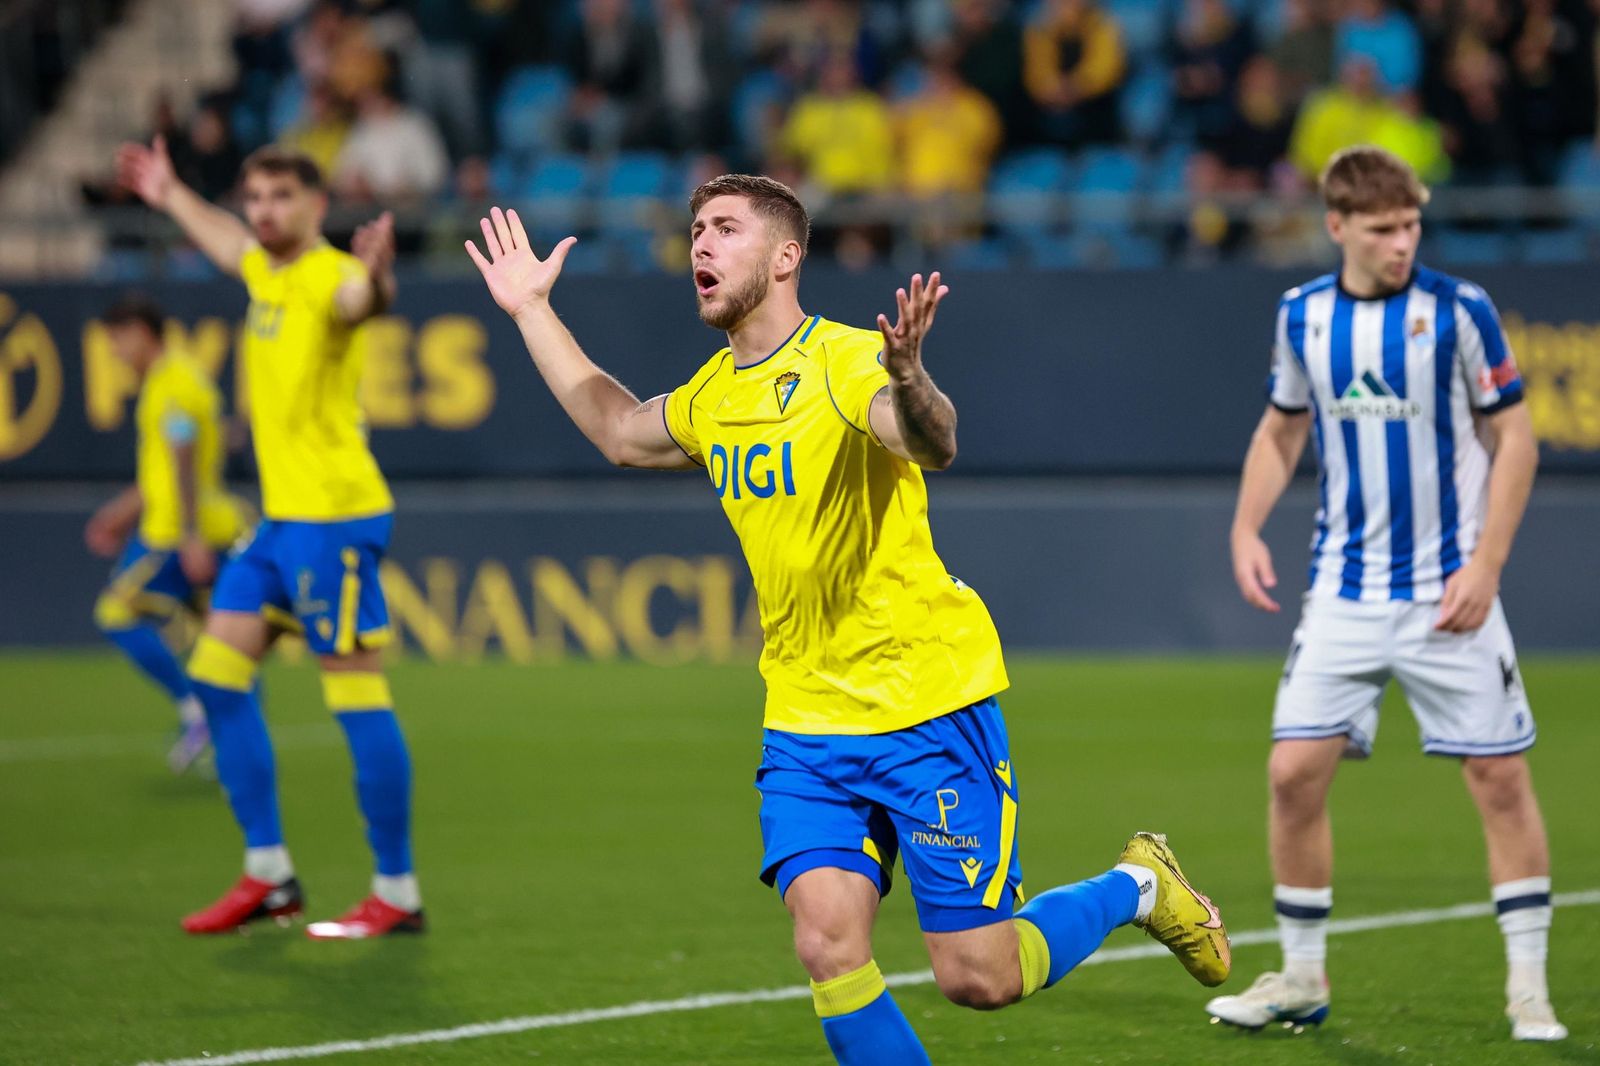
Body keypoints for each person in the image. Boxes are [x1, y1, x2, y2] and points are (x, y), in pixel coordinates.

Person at [464, 174, 1231, 1064]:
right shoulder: (714, 394)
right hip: (805, 721)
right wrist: (531, 311)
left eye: (726, 228)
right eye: (696, 229)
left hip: (924, 704)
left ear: (786, 256)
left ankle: (1139, 885)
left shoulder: (846, 362)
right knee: (826, 945)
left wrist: (910, 378)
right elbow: (619, 430)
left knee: (978, 976)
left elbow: (931, 439)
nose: (700, 243)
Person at [1214, 145, 1564, 1042]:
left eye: (1411, 225)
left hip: (1450, 589)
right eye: (1382, 229)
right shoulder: (1302, 315)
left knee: (1499, 777)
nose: (1403, 242)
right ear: (1337, 227)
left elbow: (1516, 439)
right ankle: (1301, 977)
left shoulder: (1459, 311)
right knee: (1292, 773)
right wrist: (1246, 528)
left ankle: (1529, 988)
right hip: (1344, 591)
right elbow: (1281, 430)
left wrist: (1486, 566)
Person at [115, 137, 421, 940]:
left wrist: (379, 275)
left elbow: (363, 301)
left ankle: (396, 890)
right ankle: (269, 874)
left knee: (355, 696)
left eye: (281, 197)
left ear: (316, 205)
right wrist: (170, 193)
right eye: (254, 198)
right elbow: (225, 241)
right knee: (217, 680)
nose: (263, 212)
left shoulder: (327, 276)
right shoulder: (264, 269)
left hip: (335, 519)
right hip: (280, 525)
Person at [86, 294, 248, 774]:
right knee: (227, 641)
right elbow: (165, 467)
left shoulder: (172, 382)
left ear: (142, 332)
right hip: (207, 526)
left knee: (117, 612)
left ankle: (194, 708)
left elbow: (183, 450)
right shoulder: (178, 375)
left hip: (177, 534)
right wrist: (122, 513)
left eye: (118, 339)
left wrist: (190, 533)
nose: (115, 351)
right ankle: (236, 746)